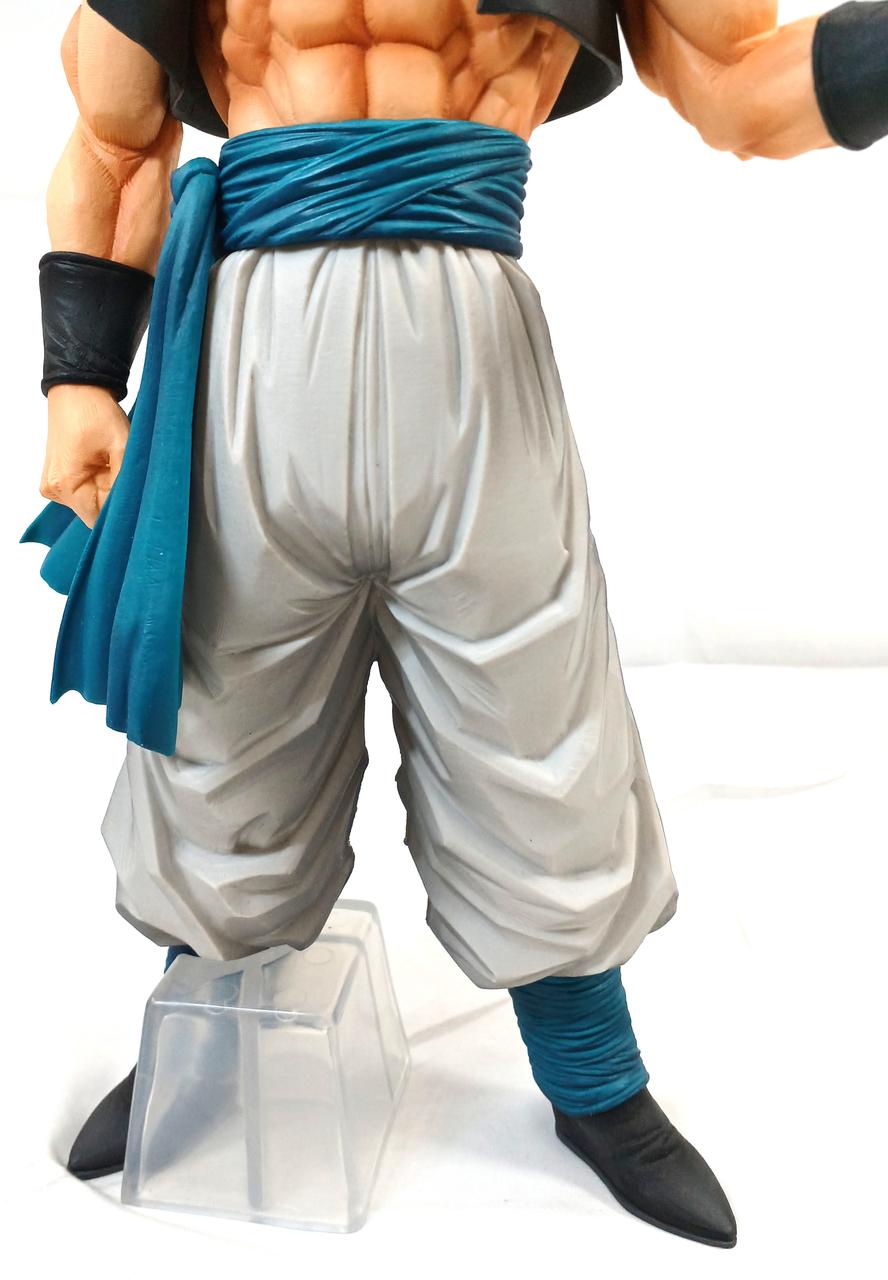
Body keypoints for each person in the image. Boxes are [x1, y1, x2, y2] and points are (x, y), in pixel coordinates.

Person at [23, 0, 888, 1249]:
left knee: (538, 727)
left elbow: (744, 80)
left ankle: (593, 1077)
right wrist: (79, 379)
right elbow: (116, 138)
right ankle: (198, 1027)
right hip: (258, 353)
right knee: (221, 720)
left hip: (473, 353)